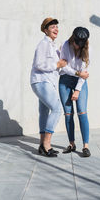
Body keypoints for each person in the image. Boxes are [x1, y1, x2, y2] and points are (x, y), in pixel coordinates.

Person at [30, 17, 67, 157]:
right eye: (52, 27)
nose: (56, 29)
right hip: (41, 81)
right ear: (45, 30)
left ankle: (41, 145)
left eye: (56, 27)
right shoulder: (43, 44)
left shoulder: (52, 45)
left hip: (46, 82)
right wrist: (57, 65)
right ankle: (47, 144)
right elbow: (38, 64)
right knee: (57, 109)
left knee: (44, 112)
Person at [59, 27, 91, 157]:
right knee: (68, 114)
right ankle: (71, 144)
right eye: (77, 43)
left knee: (82, 112)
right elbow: (63, 67)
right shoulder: (65, 45)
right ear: (73, 39)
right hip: (65, 80)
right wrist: (76, 72)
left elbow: (84, 75)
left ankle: (85, 146)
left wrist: (77, 90)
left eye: (80, 44)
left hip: (81, 82)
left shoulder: (88, 49)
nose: (78, 46)